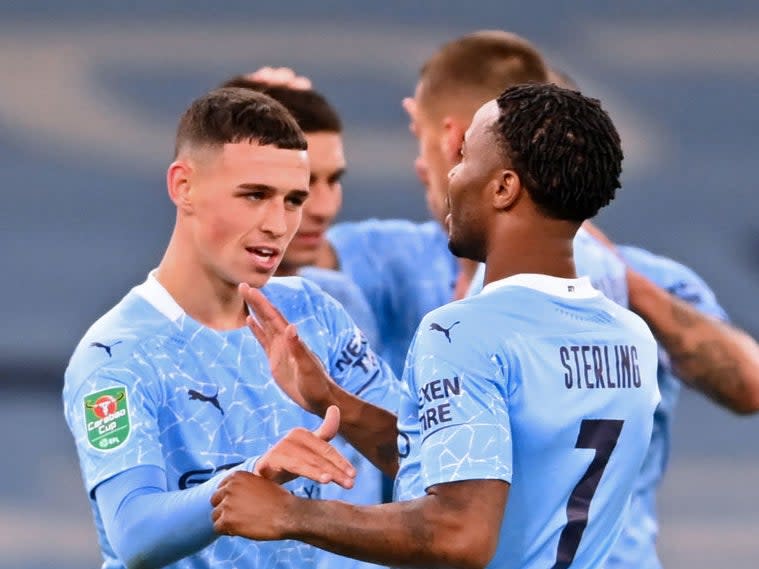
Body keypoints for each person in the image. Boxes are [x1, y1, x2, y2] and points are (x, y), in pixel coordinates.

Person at [211, 84, 661, 569]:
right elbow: (470, 473)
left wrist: (292, 514)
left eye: (466, 156)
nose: (451, 175)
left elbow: (460, 533)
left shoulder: (464, 331)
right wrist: (332, 399)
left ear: (504, 187)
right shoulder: (630, 337)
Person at [62, 87, 397, 569]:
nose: (278, 224)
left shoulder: (312, 313)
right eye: (255, 195)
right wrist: (258, 472)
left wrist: (333, 400)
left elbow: (425, 459)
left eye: (292, 200)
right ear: (184, 187)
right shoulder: (116, 354)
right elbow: (134, 532)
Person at [316, 31, 628, 376]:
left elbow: (453, 427)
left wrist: (334, 401)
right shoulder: (615, 305)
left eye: (420, 137)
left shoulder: (491, 306)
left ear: (454, 141)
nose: (422, 165)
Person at [219, 74, 389, 569]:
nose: (324, 206)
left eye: (333, 181)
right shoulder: (163, 329)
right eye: (300, 188)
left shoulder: (340, 301)